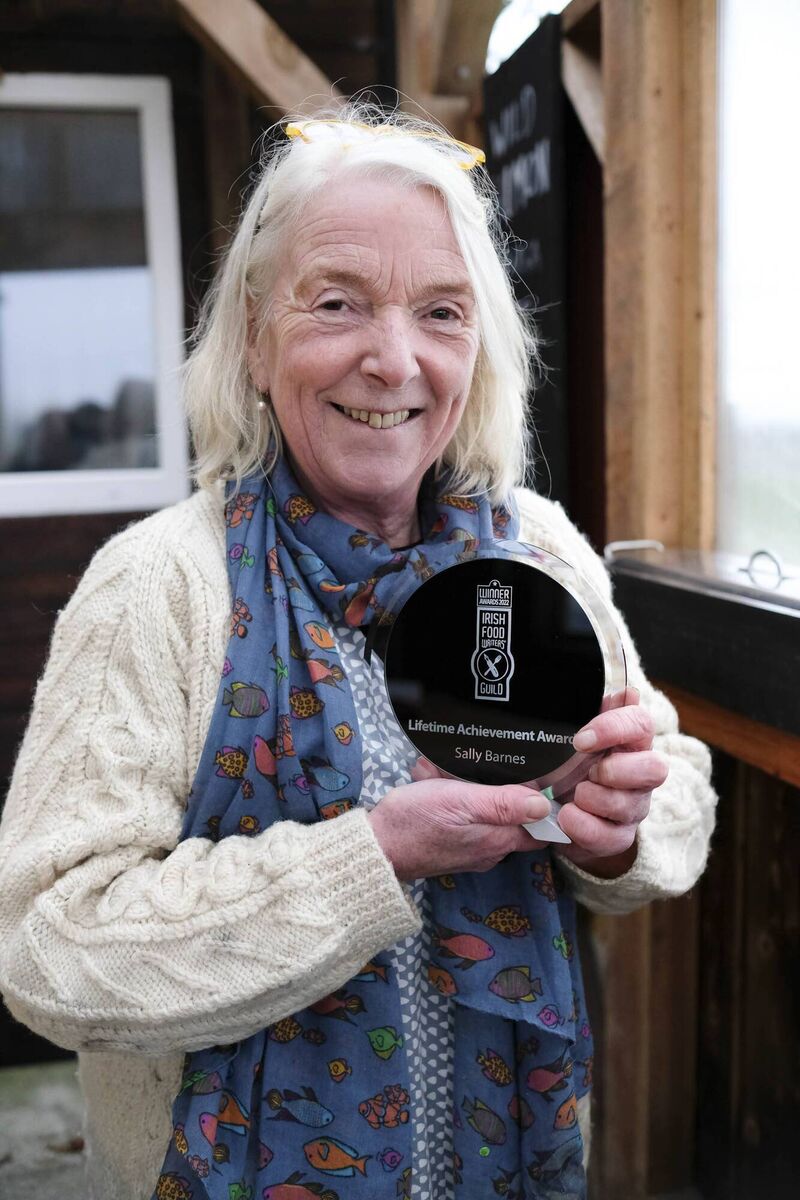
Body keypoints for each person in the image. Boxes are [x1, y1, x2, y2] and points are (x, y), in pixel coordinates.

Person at [0, 107, 716, 1200]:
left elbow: (671, 781)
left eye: (440, 312)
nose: (392, 361)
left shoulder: (536, 552)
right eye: (336, 303)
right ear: (252, 333)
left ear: (479, 348)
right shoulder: (158, 585)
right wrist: (376, 855)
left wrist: (615, 828)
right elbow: (51, 949)